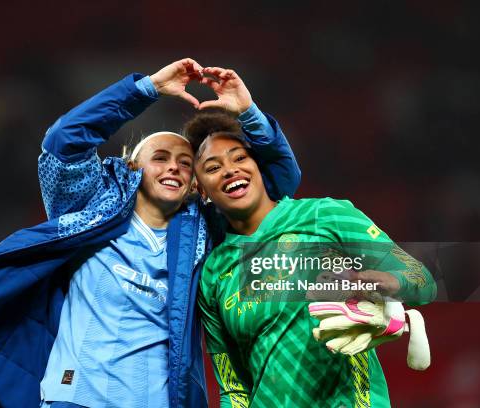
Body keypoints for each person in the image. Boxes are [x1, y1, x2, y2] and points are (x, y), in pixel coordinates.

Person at [0, 59, 301, 408]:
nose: (174, 166)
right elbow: (64, 141)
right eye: (160, 157)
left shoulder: (205, 232)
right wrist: (147, 89)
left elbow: (278, 183)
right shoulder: (91, 205)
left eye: (186, 163)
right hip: (73, 400)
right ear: (133, 167)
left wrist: (247, 112)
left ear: (195, 185)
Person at [187, 71, 437, 407]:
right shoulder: (215, 273)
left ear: (258, 165)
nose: (231, 169)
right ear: (201, 189)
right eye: (213, 167)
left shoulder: (325, 215)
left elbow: (423, 280)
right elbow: (233, 387)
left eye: (240, 158)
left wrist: (387, 281)